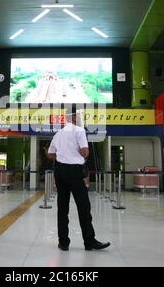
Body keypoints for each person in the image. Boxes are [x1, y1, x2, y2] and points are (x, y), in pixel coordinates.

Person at [47, 106, 110, 251]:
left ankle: (63, 242)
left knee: (62, 208)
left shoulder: (58, 134)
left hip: (60, 171)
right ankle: (89, 241)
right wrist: (77, 154)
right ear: (74, 117)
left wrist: (63, 154)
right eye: (80, 115)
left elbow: (50, 154)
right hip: (74, 172)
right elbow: (85, 152)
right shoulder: (79, 130)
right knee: (83, 207)